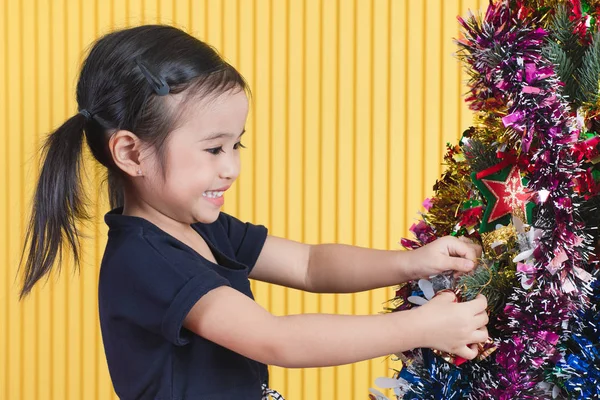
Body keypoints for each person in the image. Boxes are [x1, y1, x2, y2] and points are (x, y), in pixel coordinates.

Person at [18, 25, 488, 400]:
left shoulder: (204, 229)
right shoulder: (145, 261)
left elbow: (310, 264)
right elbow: (275, 340)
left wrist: (411, 262)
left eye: (236, 144)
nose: (232, 167)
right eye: (214, 148)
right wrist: (420, 327)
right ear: (131, 153)